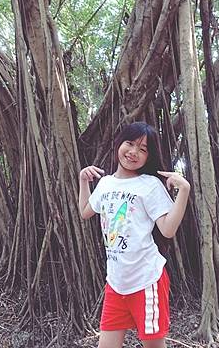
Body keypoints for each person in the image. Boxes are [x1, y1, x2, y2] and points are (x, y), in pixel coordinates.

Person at [78, 122, 190, 348]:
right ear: (119, 143)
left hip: (146, 280)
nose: (133, 152)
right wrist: (83, 180)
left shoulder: (150, 185)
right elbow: (85, 212)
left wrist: (184, 190)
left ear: (149, 156)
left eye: (143, 149)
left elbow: (168, 229)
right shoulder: (106, 184)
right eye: (130, 143)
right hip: (116, 282)